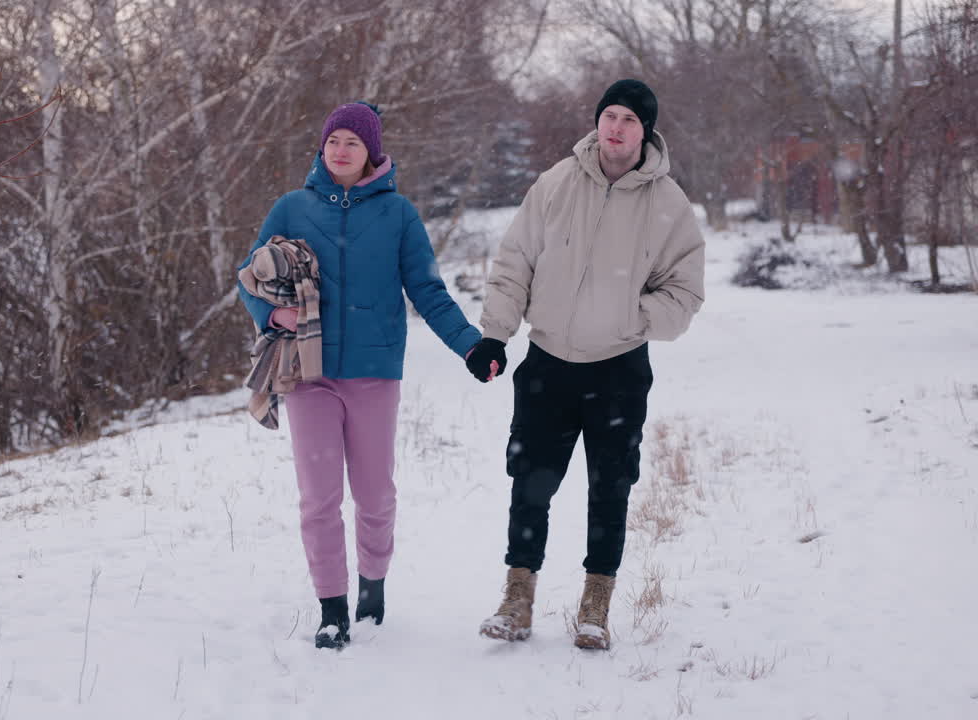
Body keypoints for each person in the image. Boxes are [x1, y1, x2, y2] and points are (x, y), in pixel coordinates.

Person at [465, 79, 705, 650]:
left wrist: (631, 315)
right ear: (598, 121)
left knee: (611, 485)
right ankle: (517, 595)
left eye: (629, 119)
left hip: (618, 369)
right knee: (530, 479)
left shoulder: (668, 204)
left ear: (646, 132)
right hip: (548, 363)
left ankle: (595, 602)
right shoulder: (556, 182)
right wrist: (495, 335)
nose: (616, 127)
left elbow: (686, 293)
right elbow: (514, 261)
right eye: (609, 116)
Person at [236, 101, 482, 650]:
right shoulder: (291, 209)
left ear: (371, 151)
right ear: (322, 148)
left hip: (374, 372)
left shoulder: (399, 215)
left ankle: (373, 584)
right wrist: (271, 314)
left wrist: (470, 345)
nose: (341, 150)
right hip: (309, 371)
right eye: (333, 141)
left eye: (352, 141)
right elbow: (247, 277)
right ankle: (331, 608)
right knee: (318, 498)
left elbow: (427, 291)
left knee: (375, 495)